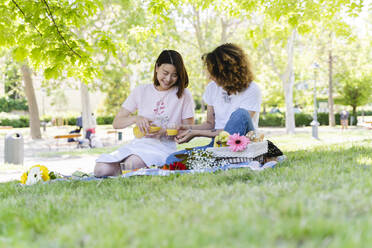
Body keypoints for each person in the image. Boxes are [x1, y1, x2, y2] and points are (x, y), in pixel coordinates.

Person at [94, 50, 195, 177]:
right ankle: (125, 170)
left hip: (163, 148)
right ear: (157, 67)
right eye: (165, 73)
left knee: (131, 163)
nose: (168, 79)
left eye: (174, 75)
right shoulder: (141, 90)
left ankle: (126, 170)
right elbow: (116, 123)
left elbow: (189, 129)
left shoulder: (184, 95)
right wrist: (136, 118)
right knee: (100, 169)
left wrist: (165, 131)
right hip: (137, 145)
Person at [166, 43, 262, 165]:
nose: (210, 76)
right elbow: (210, 124)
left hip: (241, 145)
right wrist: (187, 128)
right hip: (217, 146)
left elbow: (233, 133)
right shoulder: (212, 88)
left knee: (240, 114)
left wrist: (195, 133)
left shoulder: (252, 90)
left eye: (213, 72)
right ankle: (224, 160)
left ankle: (225, 159)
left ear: (227, 72)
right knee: (172, 160)